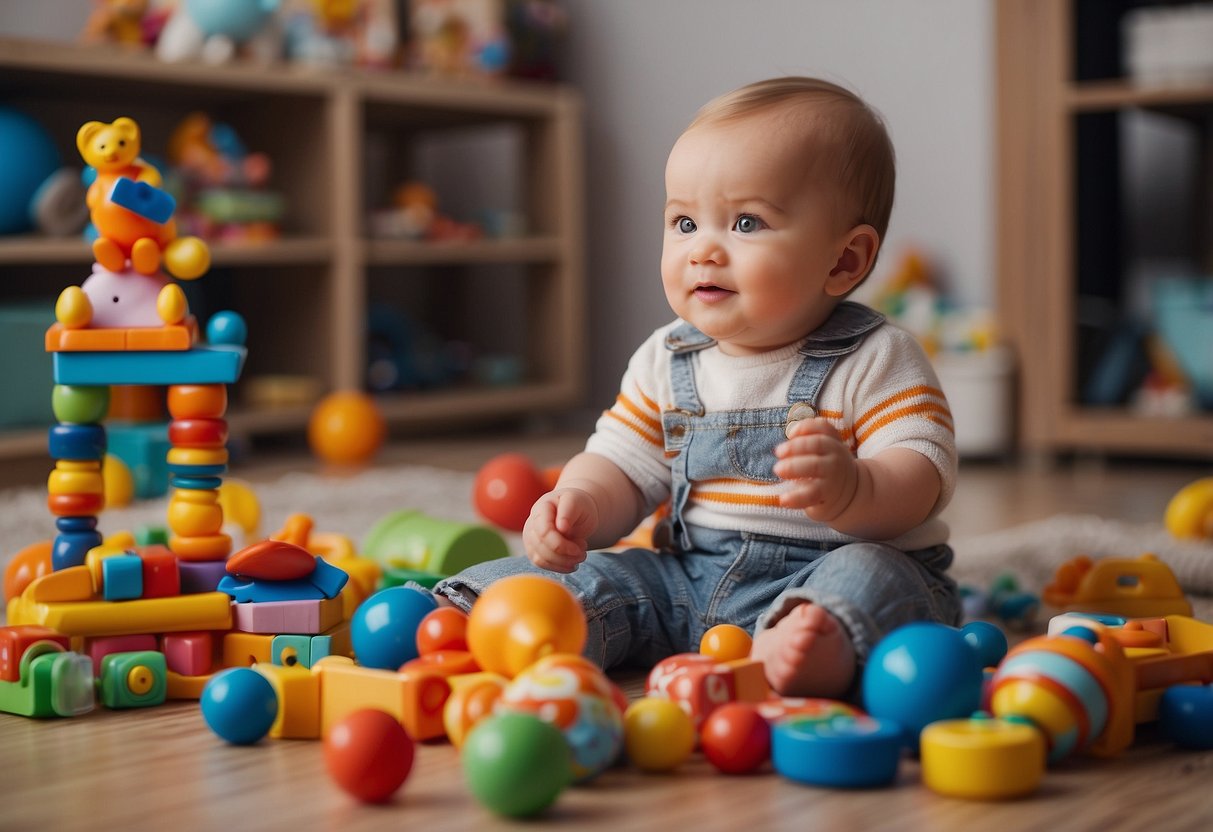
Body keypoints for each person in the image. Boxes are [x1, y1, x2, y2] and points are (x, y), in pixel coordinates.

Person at [435, 76, 960, 699]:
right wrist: (580, 504)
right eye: (684, 221)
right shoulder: (668, 357)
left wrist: (856, 487)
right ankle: (496, 615)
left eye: (746, 222)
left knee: (876, 577)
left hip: (825, 570)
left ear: (843, 261)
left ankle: (816, 642)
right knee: (608, 577)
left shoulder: (876, 356)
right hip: (688, 580)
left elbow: (924, 472)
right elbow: (625, 464)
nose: (703, 250)